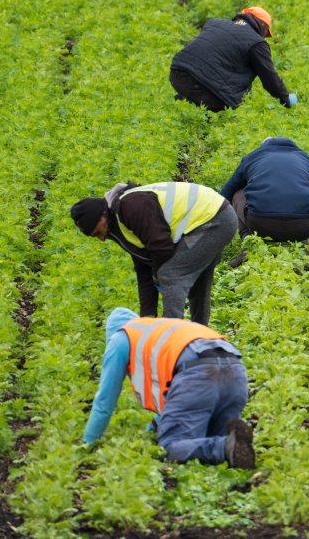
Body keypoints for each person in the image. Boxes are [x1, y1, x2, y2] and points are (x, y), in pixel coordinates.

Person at [83, 307, 255, 469]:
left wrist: (87, 443)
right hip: (235, 370)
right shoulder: (158, 331)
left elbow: (104, 402)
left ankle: (225, 447)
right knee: (211, 437)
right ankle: (232, 442)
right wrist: (154, 426)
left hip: (199, 375)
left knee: (170, 446)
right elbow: (171, 392)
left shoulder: (119, 339)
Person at [70, 181, 237, 326]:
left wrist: (157, 275)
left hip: (214, 219)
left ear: (101, 217)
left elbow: (161, 247)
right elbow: (144, 269)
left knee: (171, 274)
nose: (101, 239)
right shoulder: (117, 224)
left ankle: (173, 341)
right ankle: (201, 336)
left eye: (97, 233)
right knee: (196, 282)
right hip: (212, 218)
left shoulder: (131, 206)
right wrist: (147, 318)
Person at [170, 6, 298, 111]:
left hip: (177, 73)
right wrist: (285, 99)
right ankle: (192, 108)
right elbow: (270, 78)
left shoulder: (214, 23)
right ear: (263, 28)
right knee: (226, 105)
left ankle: (183, 103)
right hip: (205, 87)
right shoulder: (257, 43)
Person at [219, 137, 309, 242]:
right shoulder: (306, 158)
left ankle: (248, 239)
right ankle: (300, 240)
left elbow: (224, 195)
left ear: (263, 147)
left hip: (259, 225)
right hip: (303, 227)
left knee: (237, 192)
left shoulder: (253, 157)